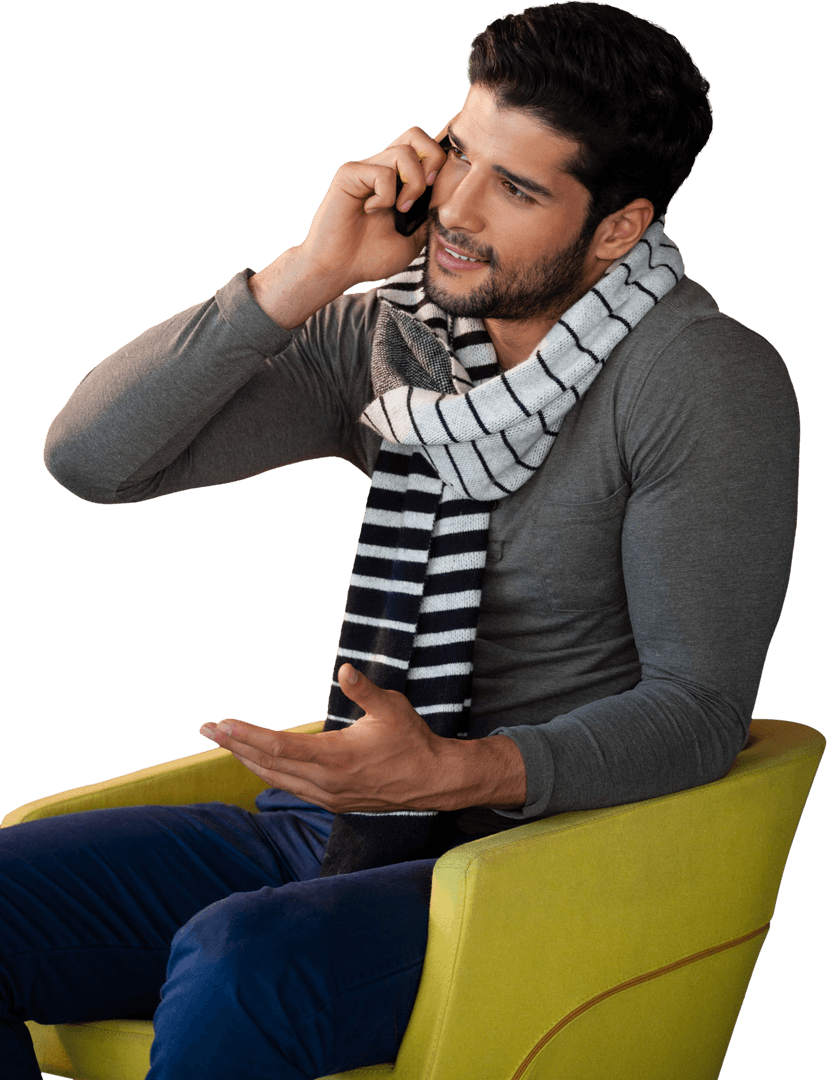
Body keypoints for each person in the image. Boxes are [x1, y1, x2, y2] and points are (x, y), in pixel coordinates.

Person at [2, 2, 798, 1078]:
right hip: (343, 824)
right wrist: (306, 273)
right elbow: (92, 460)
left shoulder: (698, 376)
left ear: (616, 227)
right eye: (459, 154)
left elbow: (698, 713)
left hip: (535, 861)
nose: (456, 212)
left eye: (516, 189)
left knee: (246, 959)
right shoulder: (389, 332)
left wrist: (454, 770)